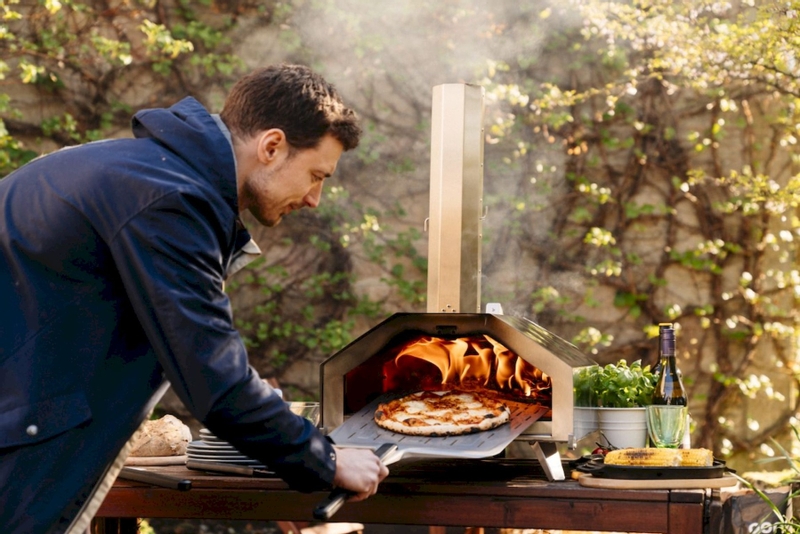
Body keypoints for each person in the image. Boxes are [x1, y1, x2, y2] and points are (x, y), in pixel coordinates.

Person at [0, 64, 389, 533]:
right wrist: (326, 459)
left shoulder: (143, 173)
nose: (314, 199)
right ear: (271, 147)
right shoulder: (170, 200)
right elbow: (212, 375)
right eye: (315, 175)